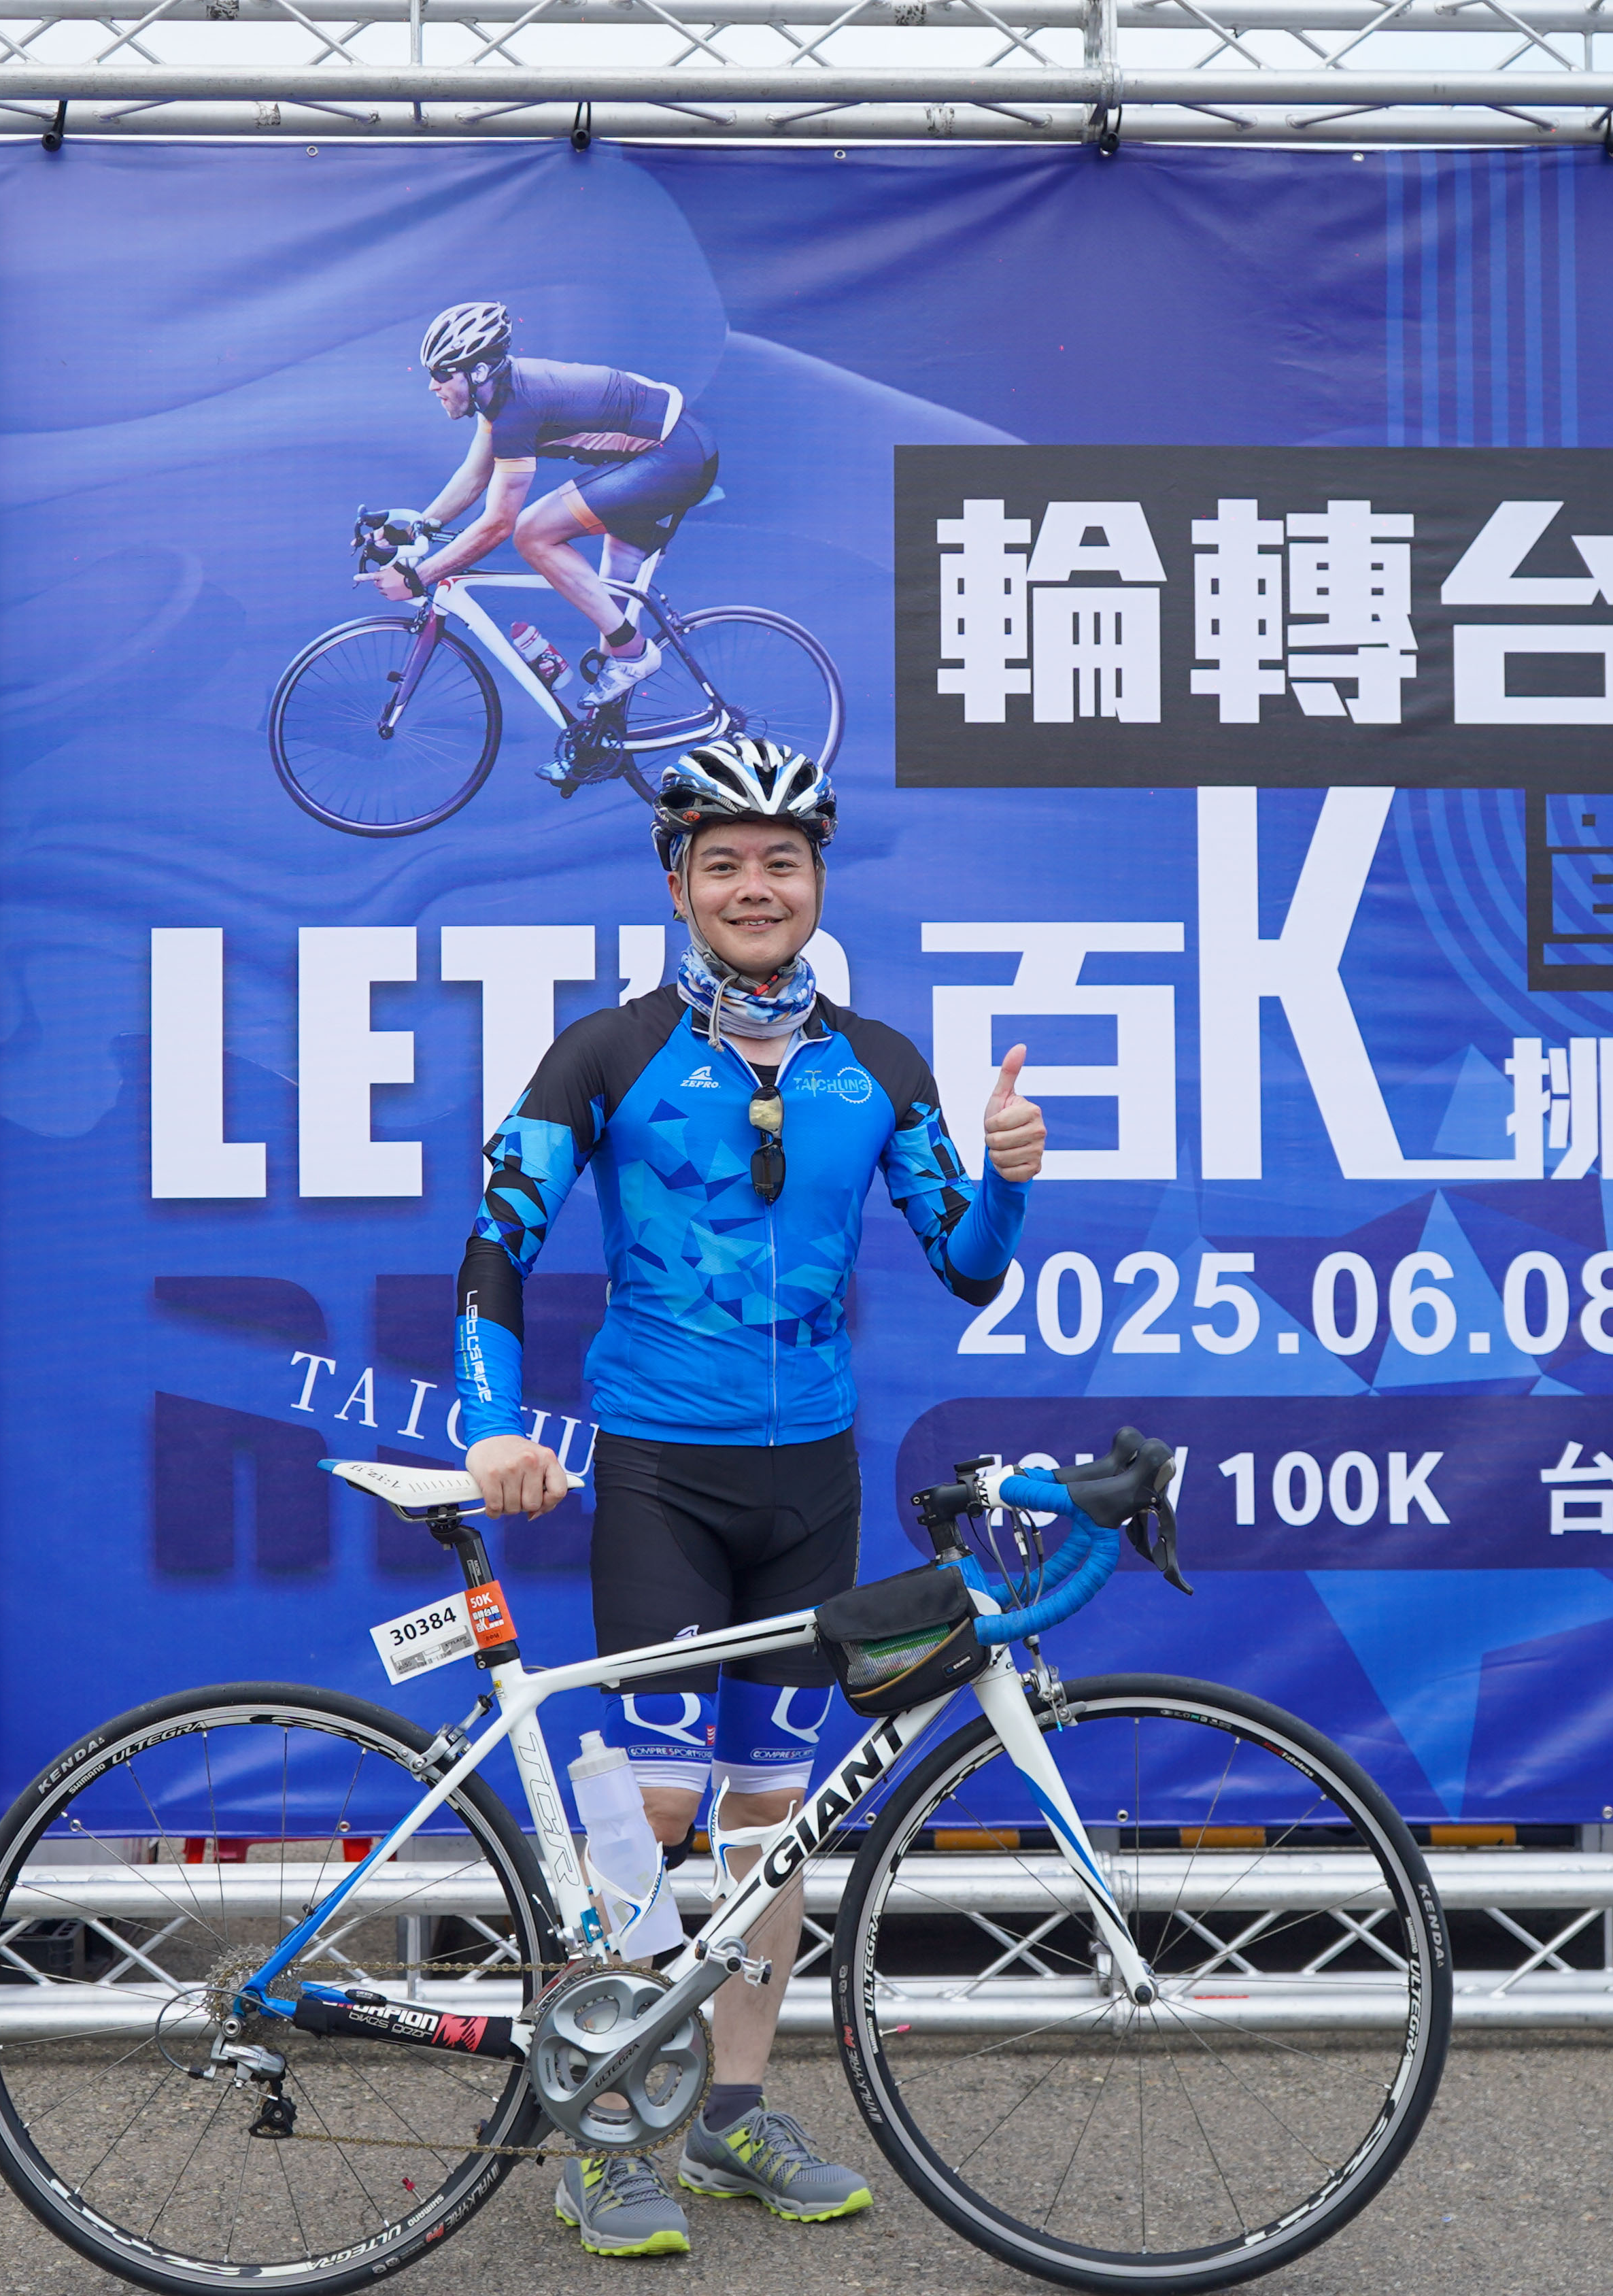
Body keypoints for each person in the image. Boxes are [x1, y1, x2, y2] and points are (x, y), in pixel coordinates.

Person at [449, 735, 1045, 2259]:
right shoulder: (607, 1053)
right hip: (664, 1471)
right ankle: (607, 2126)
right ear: (678, 885)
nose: (756, 885)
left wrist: (1006, 1176)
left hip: (813, 1483)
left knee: (773, 1818)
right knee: (658, 1806)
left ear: (818, 881)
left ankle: (728, 2113)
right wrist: (492, 1430)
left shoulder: (880, 1065)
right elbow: (498, 1242)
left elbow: (968, 1266)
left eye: (783, 859)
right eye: (724, 861)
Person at [369, 301, 716, 726]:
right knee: (609, 611)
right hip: (669, 450)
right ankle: (605, 736)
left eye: (442, 374)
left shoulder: (517, 410)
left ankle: (634, 653)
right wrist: (414, 529)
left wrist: (418, 577)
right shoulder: (499, 398)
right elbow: (473, 478)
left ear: (478, 372)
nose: (432, 386)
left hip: (673, 457)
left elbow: (498, 525)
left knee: (533, 532)